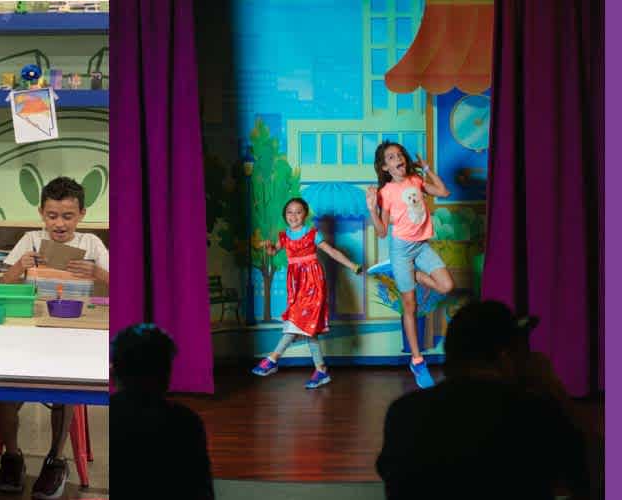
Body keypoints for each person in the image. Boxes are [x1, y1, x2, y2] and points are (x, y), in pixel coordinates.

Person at [376, 301, 589, 500]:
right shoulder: (534, 413)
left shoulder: (403, 414)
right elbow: (590, 479)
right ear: (506, 357)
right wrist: (554, 388)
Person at [0, 177, 109, 498]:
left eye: (68, 216)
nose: (59, 224)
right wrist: (20, 265)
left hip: (73, 333)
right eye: (52, 216)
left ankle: (55, 459)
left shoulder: (92, 244)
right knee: (3, 386)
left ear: (82, 214)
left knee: (66, 387)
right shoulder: (30, 240)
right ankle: (13, 456)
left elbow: (120, 285)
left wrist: (95, 273)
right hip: (30, 331)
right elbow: (2, 285)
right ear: (41, 213)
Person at [365, 141, 453, 388]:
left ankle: (410, 274)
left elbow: (444, 192)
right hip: (401, 250)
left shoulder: (416, 180)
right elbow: (382, 232)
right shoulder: (385, 193)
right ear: (385, 167)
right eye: (391, 157)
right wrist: (372, 209)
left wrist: (427, 169)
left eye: (400, 154)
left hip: (422, 246)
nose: (398, 158)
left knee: (446, 286)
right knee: (410, 305)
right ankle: (417, 360)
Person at [251, 198, 361, 388]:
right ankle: (321, 370)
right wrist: (268, 247)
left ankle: (272, 358)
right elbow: (273, 252)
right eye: (290, 212)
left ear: (305, 214)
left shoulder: (312, 234)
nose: (293, 216)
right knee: (307, 327)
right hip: (295, 285)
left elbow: (332, 252)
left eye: (298, 212)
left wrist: (352, 265)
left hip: (313, 283)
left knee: (296, 321)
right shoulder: (284, 235)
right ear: (285, 216)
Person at [111, 323, 214, 499]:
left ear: (114, 374)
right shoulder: (187, 423)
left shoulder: (111, 417)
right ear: (167, 375)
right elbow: (202, 491)